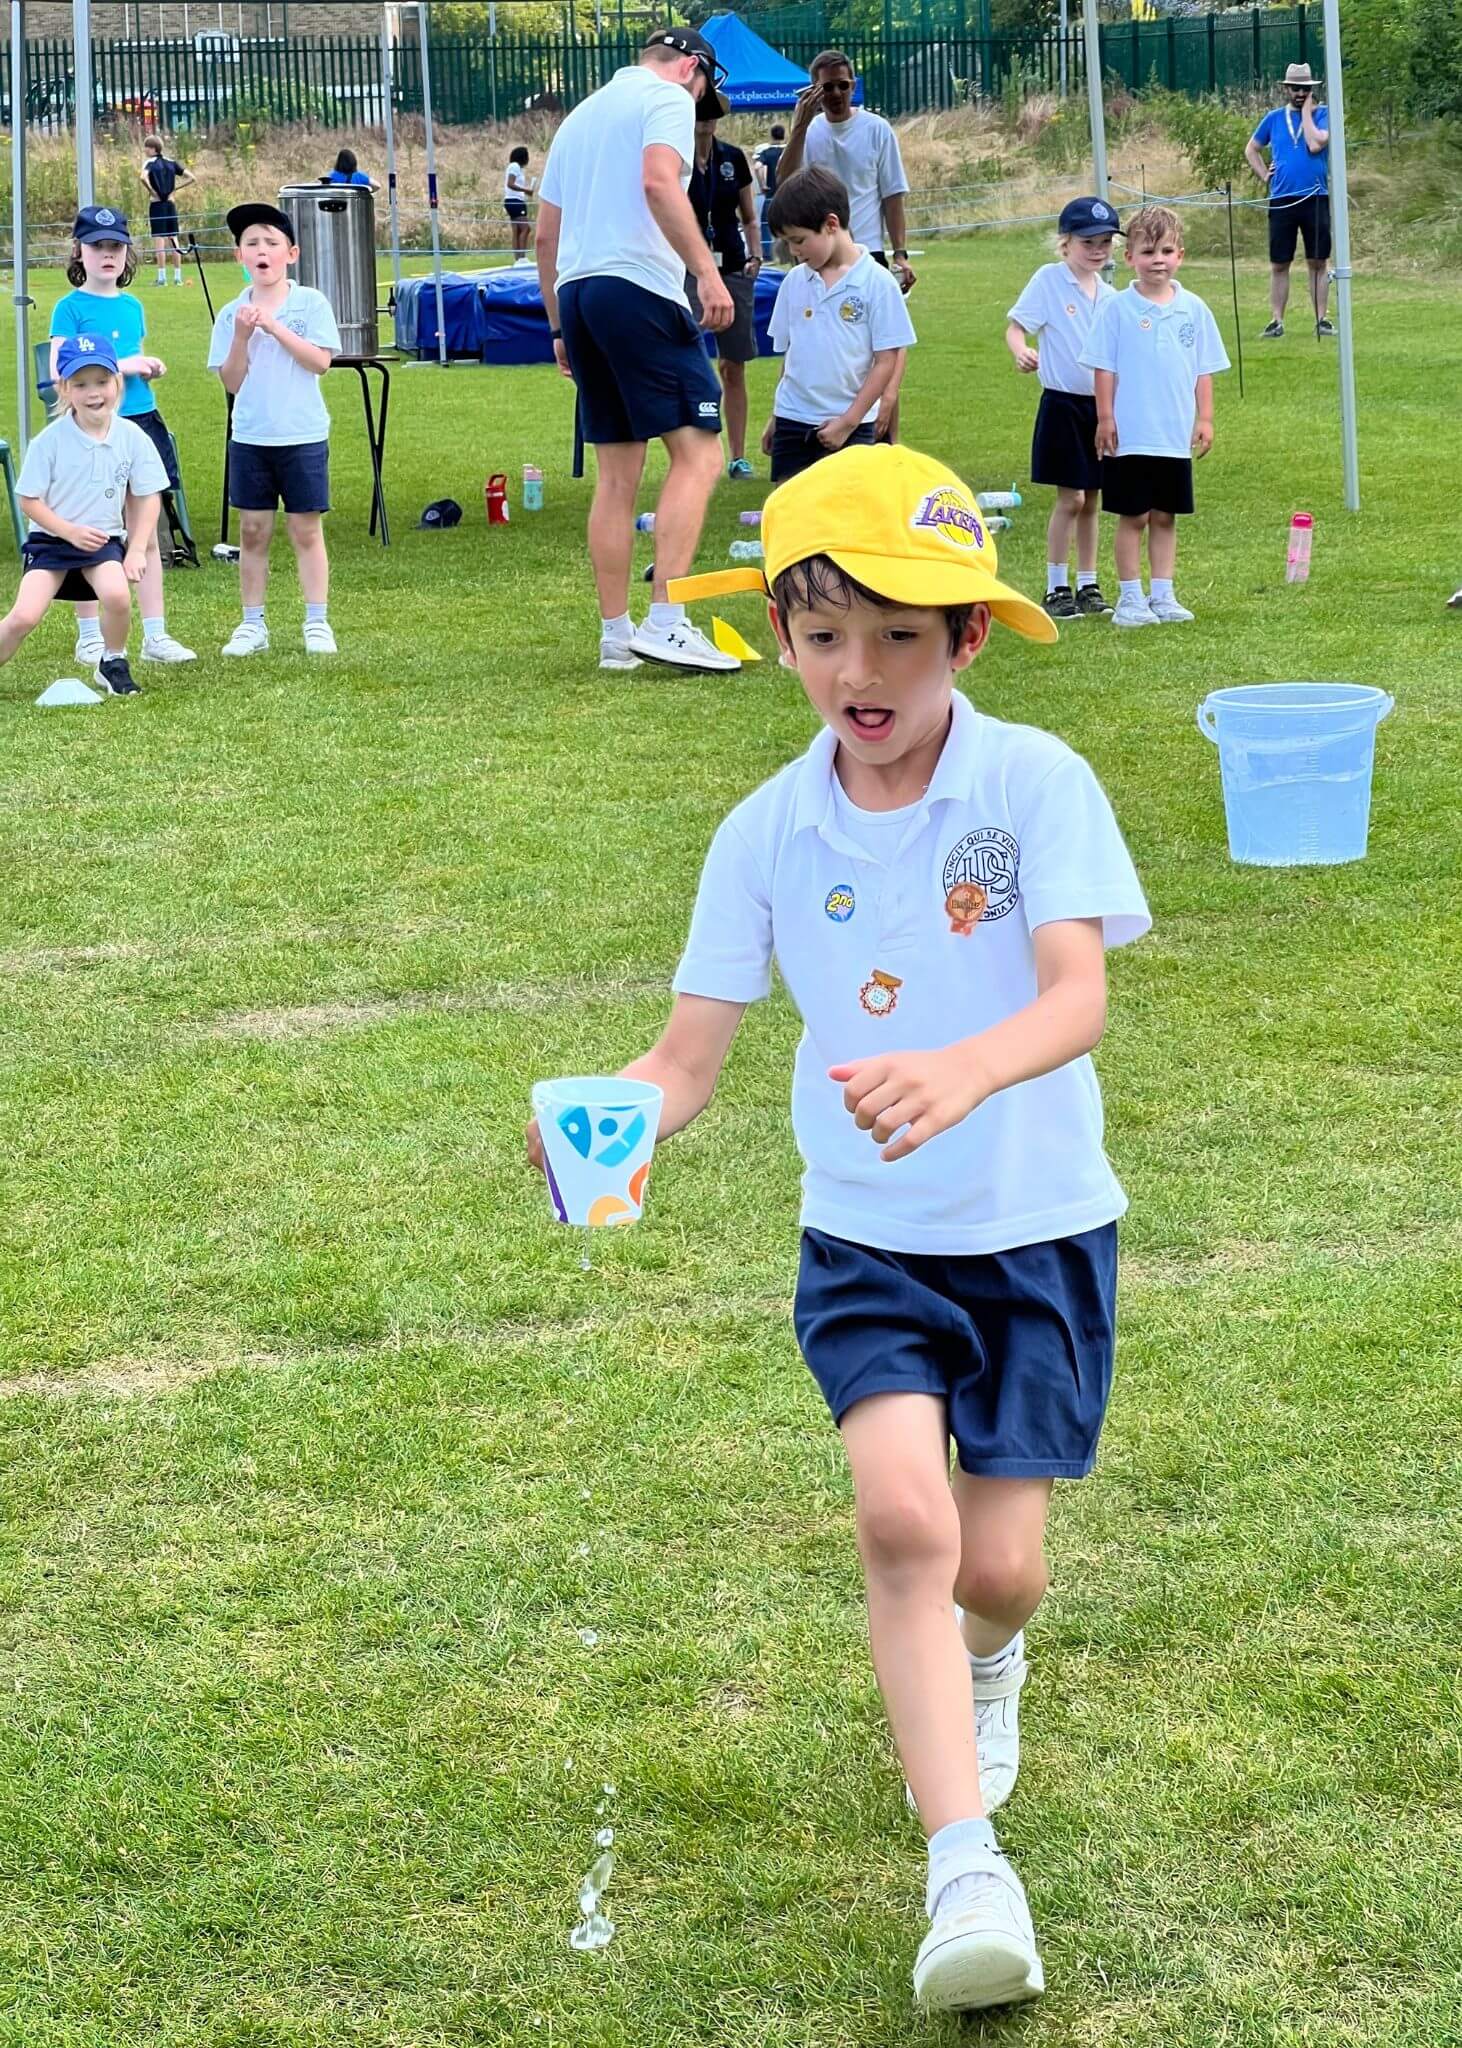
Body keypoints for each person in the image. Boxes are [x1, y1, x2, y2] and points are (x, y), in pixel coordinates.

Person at [528, 438, 1153, 2014]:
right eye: (820, 634)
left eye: (894, 635)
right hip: (866, 1242)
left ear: (963, 637)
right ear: (786, 640)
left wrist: (962, 1067)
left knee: (997, 1570)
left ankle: (987, 1659)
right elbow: (683, 1059)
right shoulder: (763, 831)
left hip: (1038, 1231)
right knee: (900, 1521)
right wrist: (603, 1125)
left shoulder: (1034, 784)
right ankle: (964, 1872)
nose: (854, 671)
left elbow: (1074, 994)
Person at [535, 27, 739, 676]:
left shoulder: (580, 116)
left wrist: (561, 328)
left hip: (581, 296)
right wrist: (706, 274)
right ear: (689, 68)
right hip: (639, 290)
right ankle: (667, 621)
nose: (700, 103)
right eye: (704, 88)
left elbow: (545, 236)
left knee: (618, 476)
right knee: (702, 454)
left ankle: (615, 637)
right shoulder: (670, 96)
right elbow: (659, 183)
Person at [50, 205, 195, 665]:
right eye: (97, 247)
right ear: (80, 252)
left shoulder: (132, 305)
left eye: (115, 247)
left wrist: (146, 367)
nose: (107, 255)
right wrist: (125, 365)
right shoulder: (69, 308)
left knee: (144, 531)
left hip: (139, 420)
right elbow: (58, 368)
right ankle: (90, 634)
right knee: (89, 533)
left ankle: (155, 635)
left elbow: (131, 360)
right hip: (91, 429)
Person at [1080, 205, 1230, 628]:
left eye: (1166, 251)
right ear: (1129, 258)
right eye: (1147, 252)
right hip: (1131, 434)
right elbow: (1103, 368)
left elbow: (1204, 369)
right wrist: (1105, 418)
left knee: (1165, 516)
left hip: (1171, 435)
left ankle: (1162, 594)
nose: (1157, 260)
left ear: (1180, 255)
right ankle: (1131, 599)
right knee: (1135, 517)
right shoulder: (1116, 309)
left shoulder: (1194, 309)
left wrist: (1205, 419)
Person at [207, 202, 342, 658]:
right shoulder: (231, 315)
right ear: (239, 257)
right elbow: (230, 381)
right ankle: (252, 624)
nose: (261, 251)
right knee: (252, 532)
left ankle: (317, 621)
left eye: (270, 242)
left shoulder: (311, 303)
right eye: (251, 244)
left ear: (292, 253)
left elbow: (320, 362)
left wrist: (276, 328)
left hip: (302, 435)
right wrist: (244, 336)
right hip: (250, 437)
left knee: (306, 530)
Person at [6, 334, 167, 697]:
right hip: (51, 542)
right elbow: (28, 500)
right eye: (80, 384)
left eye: (101, 381)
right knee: (24, 616)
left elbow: (149, 495)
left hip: (102, 542)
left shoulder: (132, 437)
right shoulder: (49, 441)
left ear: (118, 382)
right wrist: (68, 532)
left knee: (117, 595)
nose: (93, 392)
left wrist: (138, 548)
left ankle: (112, 663)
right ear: (64, 389)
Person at [1004, 194, 1120, 620]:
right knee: (1069, 497)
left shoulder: (1111, 296)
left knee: (1092, 498)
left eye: (1105, 242)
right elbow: (1017, 327)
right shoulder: (1049, 280)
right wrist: (1021, 351)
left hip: (1100, 408)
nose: (1097, 250)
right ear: (1065, 242)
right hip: (1062, 407)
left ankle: (1088, 582)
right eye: (1088, 241)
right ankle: (1056, 585)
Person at [762, 167, 914, 484]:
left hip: (851, 425)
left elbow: (886, 361)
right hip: (793, 419)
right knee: (793, 515)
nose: (793, 251)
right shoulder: (794, 282)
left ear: (831, 224)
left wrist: (849, 421)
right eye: (788, 242)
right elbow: (792, 357)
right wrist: (776, 417)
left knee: (851, 518)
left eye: (799, 240)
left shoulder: (878, 283)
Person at [777, 52, 913, 292]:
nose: (837, 93)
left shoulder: (877, 129)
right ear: (815, 91)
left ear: (853, 86)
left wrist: (900, 253)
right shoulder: (808, 131)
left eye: (843, 85)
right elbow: (785, 180)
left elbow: (892, 197)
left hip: (868, 251)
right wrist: (799, 127)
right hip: (820, 251)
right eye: (828, 87)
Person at [686, 111, 762, 480]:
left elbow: (749, 215)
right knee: (686, 362)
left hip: (732, 266)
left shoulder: (732, 158)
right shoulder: (676, 160)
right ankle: (693, 456)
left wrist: (756, 253)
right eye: (700, 112)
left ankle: (737, 456)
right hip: (688, 270)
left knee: (733, 365)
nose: (706, 120)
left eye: (713, 113)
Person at [1244, 63, 1332, 339]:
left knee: (1318, 261)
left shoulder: (1323, 114)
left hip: (1315, 196)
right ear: (1286, 89)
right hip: (1282, 198)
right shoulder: (1273, 118)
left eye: (1306, 89)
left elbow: (1315, 144)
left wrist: (1307, 112)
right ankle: (1277, 321)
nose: (1300, 94)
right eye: (1296, 89)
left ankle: (1321, 319)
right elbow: (1252, 149)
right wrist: (1264, 175)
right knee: (1280, 263)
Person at [139, 136, 195, 287]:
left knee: (159, 241)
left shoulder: (149, 163)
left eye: (146, 147)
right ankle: (177, 278)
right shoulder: (171, 163)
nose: (145, 150)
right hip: (170, 203)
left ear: (152, 149)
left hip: (157, 204)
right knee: (173, 239)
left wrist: (151, 190)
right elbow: (191, 177)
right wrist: (175, 189)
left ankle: (162, 278)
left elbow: (143, 177)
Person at [754, 121, 786, 260]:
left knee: (766, 224)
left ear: (771, 135)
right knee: (788, 224)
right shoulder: (789, 150)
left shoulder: (767, 152)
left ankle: (767, 255)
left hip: (772, 194)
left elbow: (757, 167)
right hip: (788, 193)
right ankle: (786, 255)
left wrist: (762, 184)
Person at [504, 144, 535, 261]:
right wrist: (526, 190)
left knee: (517, 230)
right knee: (525, 229)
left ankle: (518, 259)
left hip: (514, 200)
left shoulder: (516, 168)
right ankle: (522, 258)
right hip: (515, 201)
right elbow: (510, 184)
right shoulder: (514, 166)